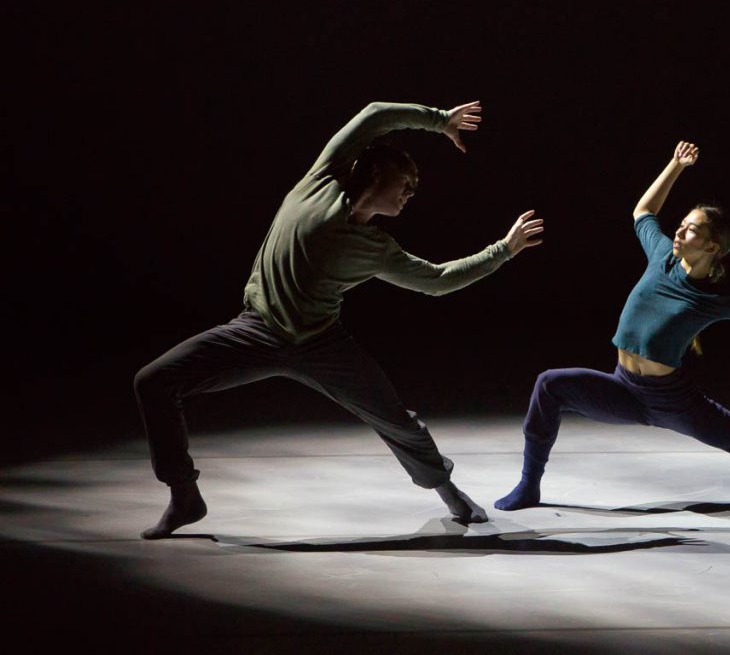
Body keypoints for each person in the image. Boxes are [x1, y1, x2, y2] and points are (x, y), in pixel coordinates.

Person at [134, 100, 543, 538]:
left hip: (321, 345)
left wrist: (502, 250)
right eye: (405, 182)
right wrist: (439, 121)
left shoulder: (376, 248)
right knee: (153, 382)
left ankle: (446, 490)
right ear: (374, 175)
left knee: (396, 420)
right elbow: (373, 116)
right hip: (254, 329)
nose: (410, 193)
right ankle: (184, 497)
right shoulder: (321, 181)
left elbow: (438, 280)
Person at [494, 140, 730, 511]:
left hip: (671, 401)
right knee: (550, 385)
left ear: (712, 247)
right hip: (624, 388)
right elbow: (643, 213)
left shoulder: (711, 299)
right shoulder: (661, 255)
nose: (679, 231)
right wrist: (676, 166)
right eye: (681, 224)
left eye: (692, 229)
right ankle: (530, 485)